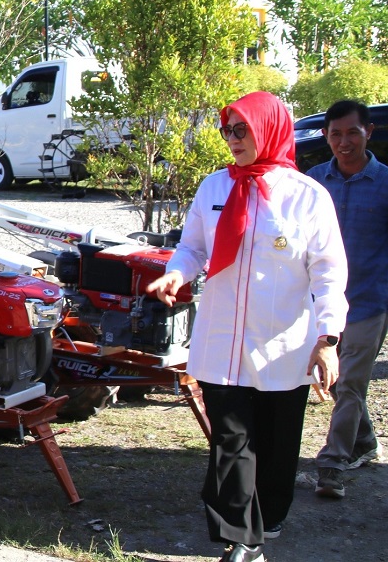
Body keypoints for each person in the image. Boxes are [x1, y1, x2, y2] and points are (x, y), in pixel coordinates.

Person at [146, 91, 348, 562]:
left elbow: (329, 274)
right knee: (231, 441)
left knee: (276, 449)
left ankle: (268, 519)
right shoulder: (215, 188)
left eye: (242, 130)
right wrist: (179, 271)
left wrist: (328, 338)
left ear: (270, 129)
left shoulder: (307, 197)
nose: (232, 140)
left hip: (282, 347)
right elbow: (193, 247)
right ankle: (244, 539)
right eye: (227, 130)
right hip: (222, 343)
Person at [306, 99, 388, 499]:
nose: (344, 142)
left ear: (369, 132)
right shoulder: (314, 181)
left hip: (370, 300)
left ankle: (333, 463)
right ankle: (366, 442)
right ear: (326, 137)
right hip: (321, 303)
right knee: (341, 383)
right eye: (335, 134)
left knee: (350, 382)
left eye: (352, 132)